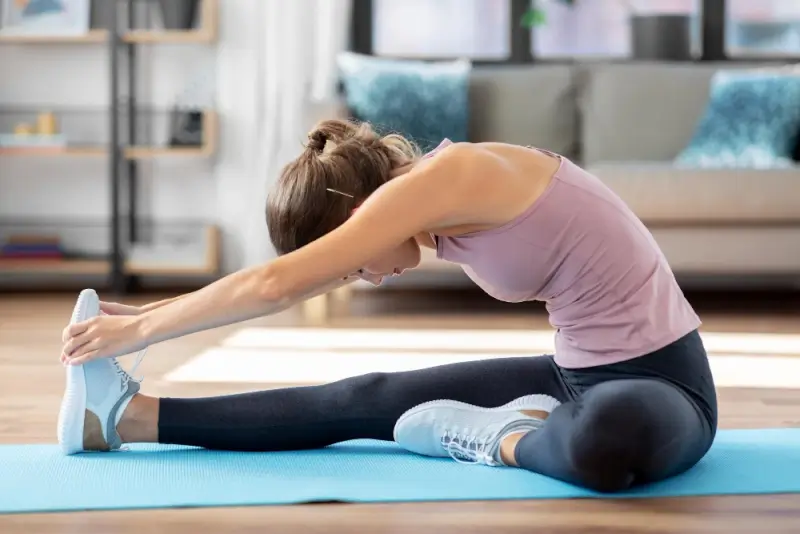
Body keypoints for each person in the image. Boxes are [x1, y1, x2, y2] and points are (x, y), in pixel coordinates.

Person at [58, 119, 717, 493]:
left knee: (604, 445)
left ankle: (500, 438)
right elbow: (282, 282)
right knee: (361, 396)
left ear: (358, 214)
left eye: (354, 260)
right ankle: (126, 419)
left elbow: (276, 285)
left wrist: (143, 326)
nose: (366, 279)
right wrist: (140, 319)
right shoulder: (430, 202)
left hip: (662, 384)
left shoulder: (448, 179)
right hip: (571, 375)